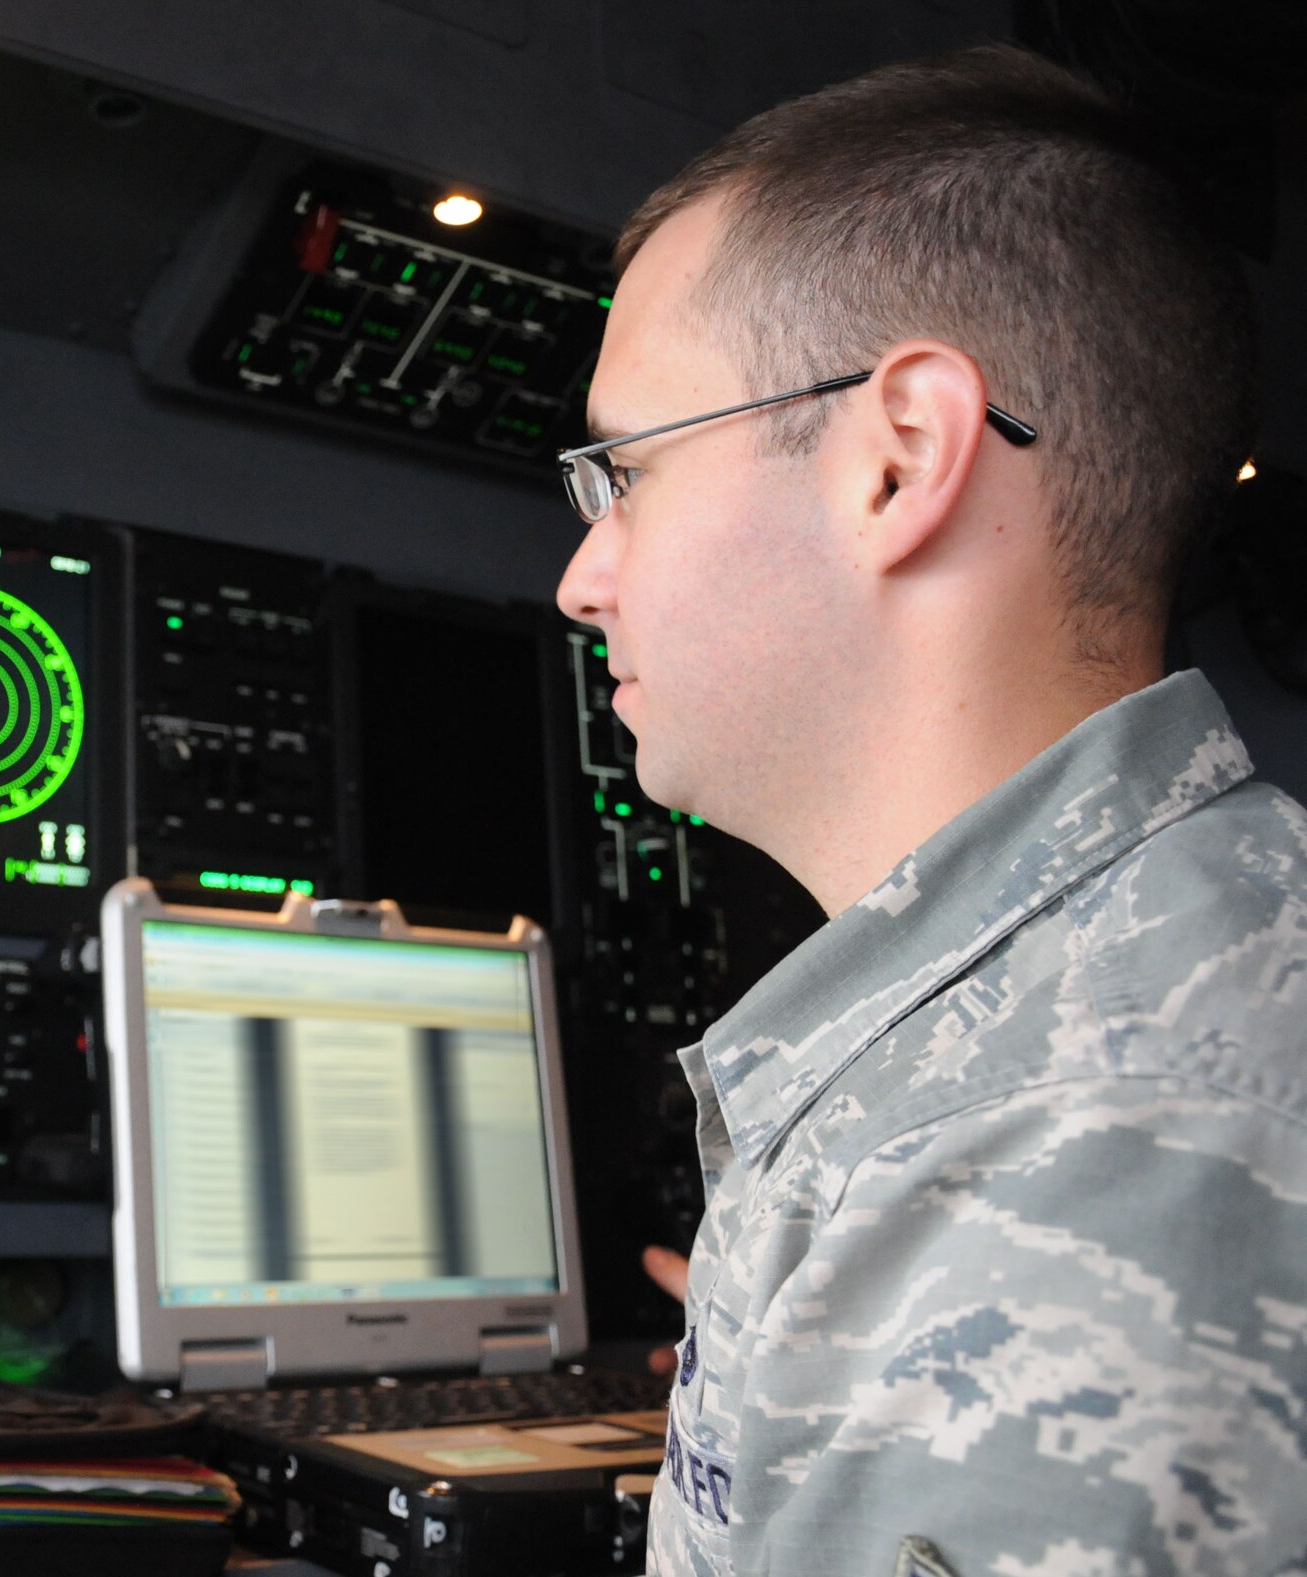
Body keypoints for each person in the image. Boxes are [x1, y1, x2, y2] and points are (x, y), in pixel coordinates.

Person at [553, 44, 1307, 1577]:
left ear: (900, 458)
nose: (584, 577)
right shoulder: (1069, 1079)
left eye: (624, 472)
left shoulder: (1060, 1149)